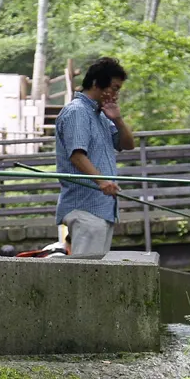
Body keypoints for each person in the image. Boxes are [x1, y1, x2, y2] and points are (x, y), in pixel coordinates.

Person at [54, 57, 135, 258]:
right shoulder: (77, 112)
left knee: (97, 274)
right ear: (98, 83)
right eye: (115, 88)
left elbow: (127, 145)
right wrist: (102, 182)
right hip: (85, 208)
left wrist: (117, 118)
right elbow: (77, 155)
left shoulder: (99, 114)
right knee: (87, 276)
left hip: (101, 208)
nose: (116, 94)